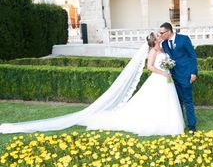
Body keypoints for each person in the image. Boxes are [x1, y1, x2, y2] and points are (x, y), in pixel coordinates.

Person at [0, 33, 184, 136]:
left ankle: (166, 122)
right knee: (151, 102)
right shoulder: (152, 51)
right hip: (159, 79)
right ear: (154, 42)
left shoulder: (162, 48)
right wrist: (164, 71)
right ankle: (154, 123)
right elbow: (150, 67)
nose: (160, 38)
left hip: (165, 81)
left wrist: (168, 69)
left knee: (163, 102)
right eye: (158, 38)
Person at [159, 22, 198, 133]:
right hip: (173, 77)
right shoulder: (164, 44)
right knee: (177, 101)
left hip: (185, 75)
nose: (161, 35)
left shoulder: (184, 39)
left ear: (169, 31)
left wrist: (193, 72)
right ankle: (180, 124)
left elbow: (192, 56)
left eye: (162, 33)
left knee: (188, 101)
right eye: (160, 33)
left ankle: (192, 126)